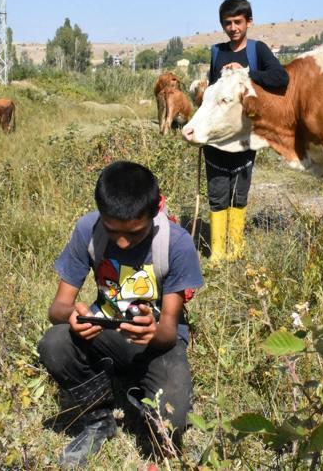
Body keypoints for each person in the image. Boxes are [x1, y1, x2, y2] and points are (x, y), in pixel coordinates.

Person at [37, 161, 204, 467]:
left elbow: (169, 330)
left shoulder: (176, 244)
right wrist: (73, 315)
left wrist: (152, 331)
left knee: (173, 421)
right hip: (107, 331)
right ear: (102, 215)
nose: (123, 242)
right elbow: (57, 308)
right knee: (54, 343)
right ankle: (99, 419)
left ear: (154, 215)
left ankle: (138, 393)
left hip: (158, 345)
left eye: (135, 233)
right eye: (113, 232)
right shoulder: (88, 230)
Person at [205, 0, 289, 262]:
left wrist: (247, 72)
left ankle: (236, 249)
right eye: (227, 23)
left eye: (238, 22)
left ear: (248, 22)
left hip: (244, 136)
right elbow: (212, 91)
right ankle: (218, 254)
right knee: (217, 192)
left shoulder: (257, 50)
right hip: (217, 137)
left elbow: (280, 78)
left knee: (239, 191)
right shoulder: (216, 52)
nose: (233, 28)